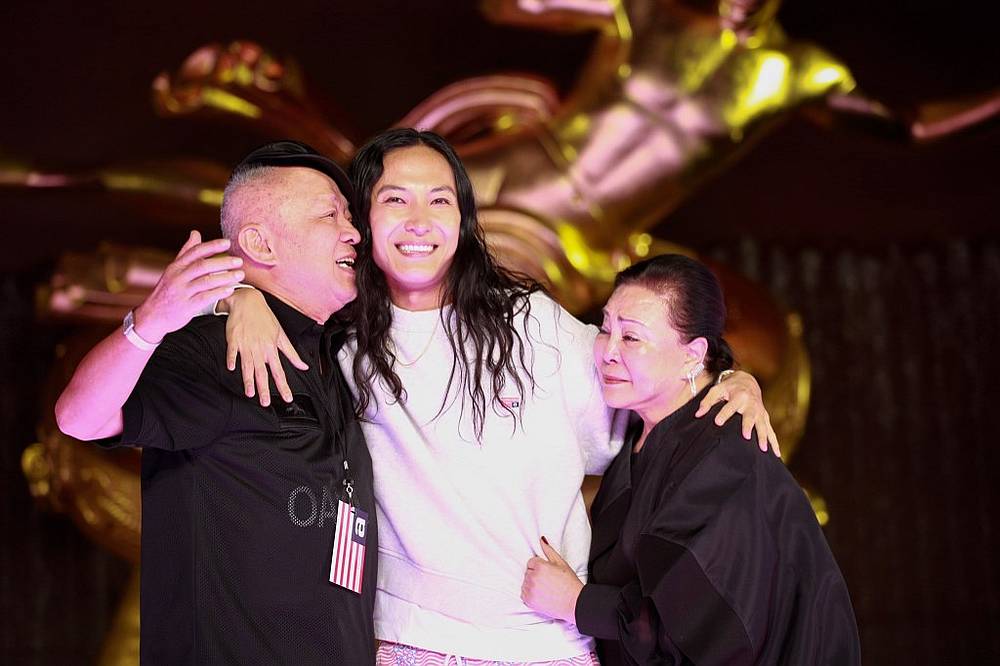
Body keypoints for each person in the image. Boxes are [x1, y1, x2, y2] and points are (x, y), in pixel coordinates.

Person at [220, 128, 779, 665]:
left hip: (548, 644)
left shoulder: (530, 321)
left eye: (439, 200)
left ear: (463, 219)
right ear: (361, 220)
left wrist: (731, 377)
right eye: (395, 199)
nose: (419, 222)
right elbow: (220, 291)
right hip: (412, 643)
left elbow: (648, 368)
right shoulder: (342, 340)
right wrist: (238, 295)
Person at [54, 141, 378, 664]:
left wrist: (237, 294)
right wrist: (150, 323)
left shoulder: (337, 355)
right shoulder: (214, 348)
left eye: (349, 214)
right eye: (329, 214)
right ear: (261, 244)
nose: (353, 231)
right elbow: (78, 419)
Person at [519, 254, 861, 665]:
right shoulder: (635, 423)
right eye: (605, 328)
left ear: (692, 354)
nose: (607, 351)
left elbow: (701, 631)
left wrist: (576, 602)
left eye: (631, 338)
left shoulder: (724, 458)